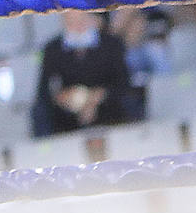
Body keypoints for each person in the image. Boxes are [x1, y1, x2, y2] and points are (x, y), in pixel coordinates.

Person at [30, 8, 138, 136]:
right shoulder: (53, 49)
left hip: (108, 105)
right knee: (41, 111)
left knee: (128, 101)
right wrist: (63, 97)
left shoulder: (111, 44)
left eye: (81, 19)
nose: (78, 25)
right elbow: (44, 89)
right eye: (72, 20)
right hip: (68, 112)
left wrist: (96, 97)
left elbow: (123, 82)